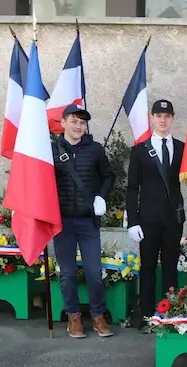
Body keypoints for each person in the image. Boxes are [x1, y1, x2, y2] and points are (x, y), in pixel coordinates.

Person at [126, 99, 187, 333]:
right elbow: (133, 188)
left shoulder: (183, 148)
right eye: (158, 115)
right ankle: (146, 314)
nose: (163, 120)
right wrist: (132, 220)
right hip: (148, 219)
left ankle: (170, 312)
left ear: (172, 118)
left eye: (167, 116)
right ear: (151, 117)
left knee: (171, 266)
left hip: (173, 218)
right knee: (148, 267)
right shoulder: (140, 151)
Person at [52, 104, 115, 338]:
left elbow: (109, 175)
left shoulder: (95, 149)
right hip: (63, 222)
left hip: (88, 222)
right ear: (64, 122)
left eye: (82, 122)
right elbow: (40, 180)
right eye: (74, 121)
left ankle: (98, 315)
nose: (79, 126)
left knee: (93, 271)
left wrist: (101, 196)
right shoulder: (52, 150)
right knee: (67, 273)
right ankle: (74, 316)